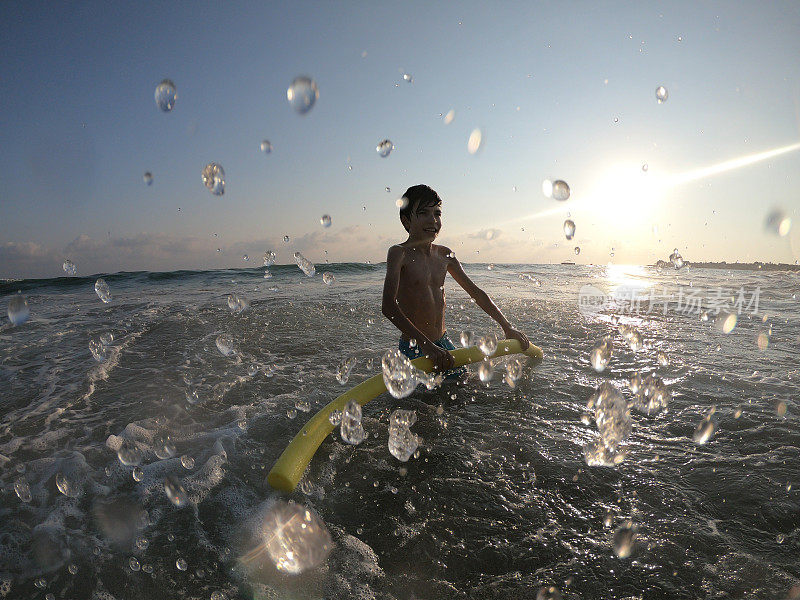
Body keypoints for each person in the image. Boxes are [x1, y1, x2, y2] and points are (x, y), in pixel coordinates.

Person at [382, 184, 530, 376]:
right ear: (406, 221)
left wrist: (507, 327)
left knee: (465, 391)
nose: (433, 220)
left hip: (443, 343)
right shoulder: (399, 253)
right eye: (424, 213)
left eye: (437, 213)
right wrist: (425, 345)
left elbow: (476, 293)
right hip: (415, 347)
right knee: (421, 403)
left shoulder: (444, 255)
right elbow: (388, 306)